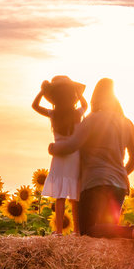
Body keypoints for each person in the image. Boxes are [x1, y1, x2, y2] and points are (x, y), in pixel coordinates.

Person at [48, 78, 134, 250]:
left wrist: (53, 148)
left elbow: (72, 145)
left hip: (94, 183)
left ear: (95, 99)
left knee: (88, 232)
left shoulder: (92, 119)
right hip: (119, 186)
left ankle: (133, 231)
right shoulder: (127, 123)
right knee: (108, 233)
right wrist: (120, 172)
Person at [33, 75, 87, 236]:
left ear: (54, 98)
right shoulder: (78, 112)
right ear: (72, 97)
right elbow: (85, 104)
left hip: (59, 155)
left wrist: (43, 91)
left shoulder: (53, 114)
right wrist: (79, 93)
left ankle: (58, 231)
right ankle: (77, 230)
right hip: (74, 155)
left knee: (60, 196)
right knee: (74, 195)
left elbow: (34, 106)